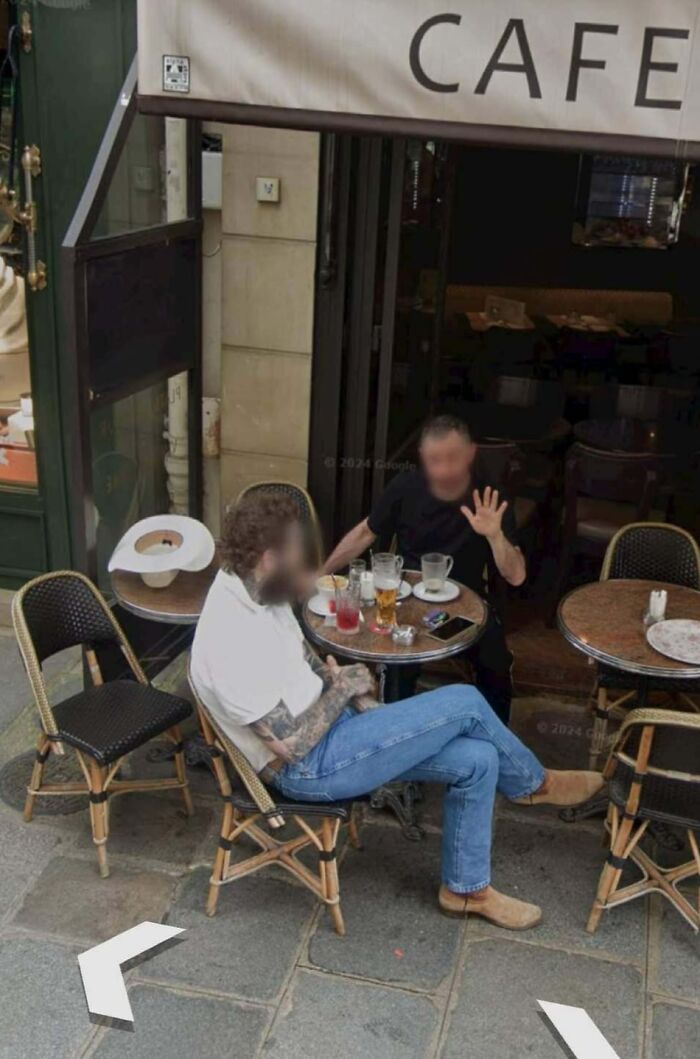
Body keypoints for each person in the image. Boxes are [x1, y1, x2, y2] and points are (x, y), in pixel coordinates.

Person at [191, 491, 603, 930]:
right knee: (465, 702)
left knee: (479, 760)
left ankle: (465, 890)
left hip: (336, 728)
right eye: (298, 553)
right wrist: (344, 689)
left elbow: (301, 656)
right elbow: (291, 746)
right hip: (310, 768)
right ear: (271, 557)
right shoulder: (227, 637)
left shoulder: (258, 587)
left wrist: (337, 685)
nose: (308, 564)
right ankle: (532, 783)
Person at [322, 415, 520, 723]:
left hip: (465, 606)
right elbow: (365, 532)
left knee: (495, 661)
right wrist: (323, 572)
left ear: (470, 453)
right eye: (434, 460)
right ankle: (395, 737)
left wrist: (495, 535)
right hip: (404, 603)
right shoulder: (405, 486)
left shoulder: (488, 496)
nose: (443, 470)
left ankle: (495, 741)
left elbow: (516, 574)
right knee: (397, 663)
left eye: (452, 458)